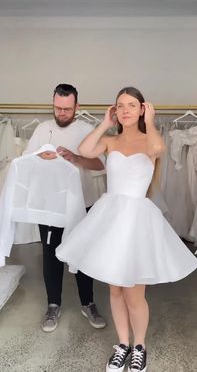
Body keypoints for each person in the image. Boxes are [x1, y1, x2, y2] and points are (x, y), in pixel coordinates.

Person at [56, 86, 197, 372]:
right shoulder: (111, 140)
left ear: (142, 108)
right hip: (110, 217)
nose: (124, 110)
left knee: (135, 293)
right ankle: (122, 344)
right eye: (120, 105)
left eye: (131, 105)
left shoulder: (150, 141)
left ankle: (139, 346)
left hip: (137, 221)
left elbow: (159, 149)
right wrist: (105, 124)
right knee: (115, 290)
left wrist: (153, 120)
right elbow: (84, 151)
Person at [24, 83, 106, 332]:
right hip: (51, 205)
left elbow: (101, 165)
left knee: (82, 253)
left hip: (83, 202)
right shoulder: (41, 129)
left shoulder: (87, 129)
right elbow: (26, 161)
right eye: (57, 108)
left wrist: (75, 157)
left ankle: (88, 302)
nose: (61, 113)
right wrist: (40, 157)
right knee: (51, 255)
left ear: (77, 107)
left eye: (67, 109)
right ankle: (53, 305)